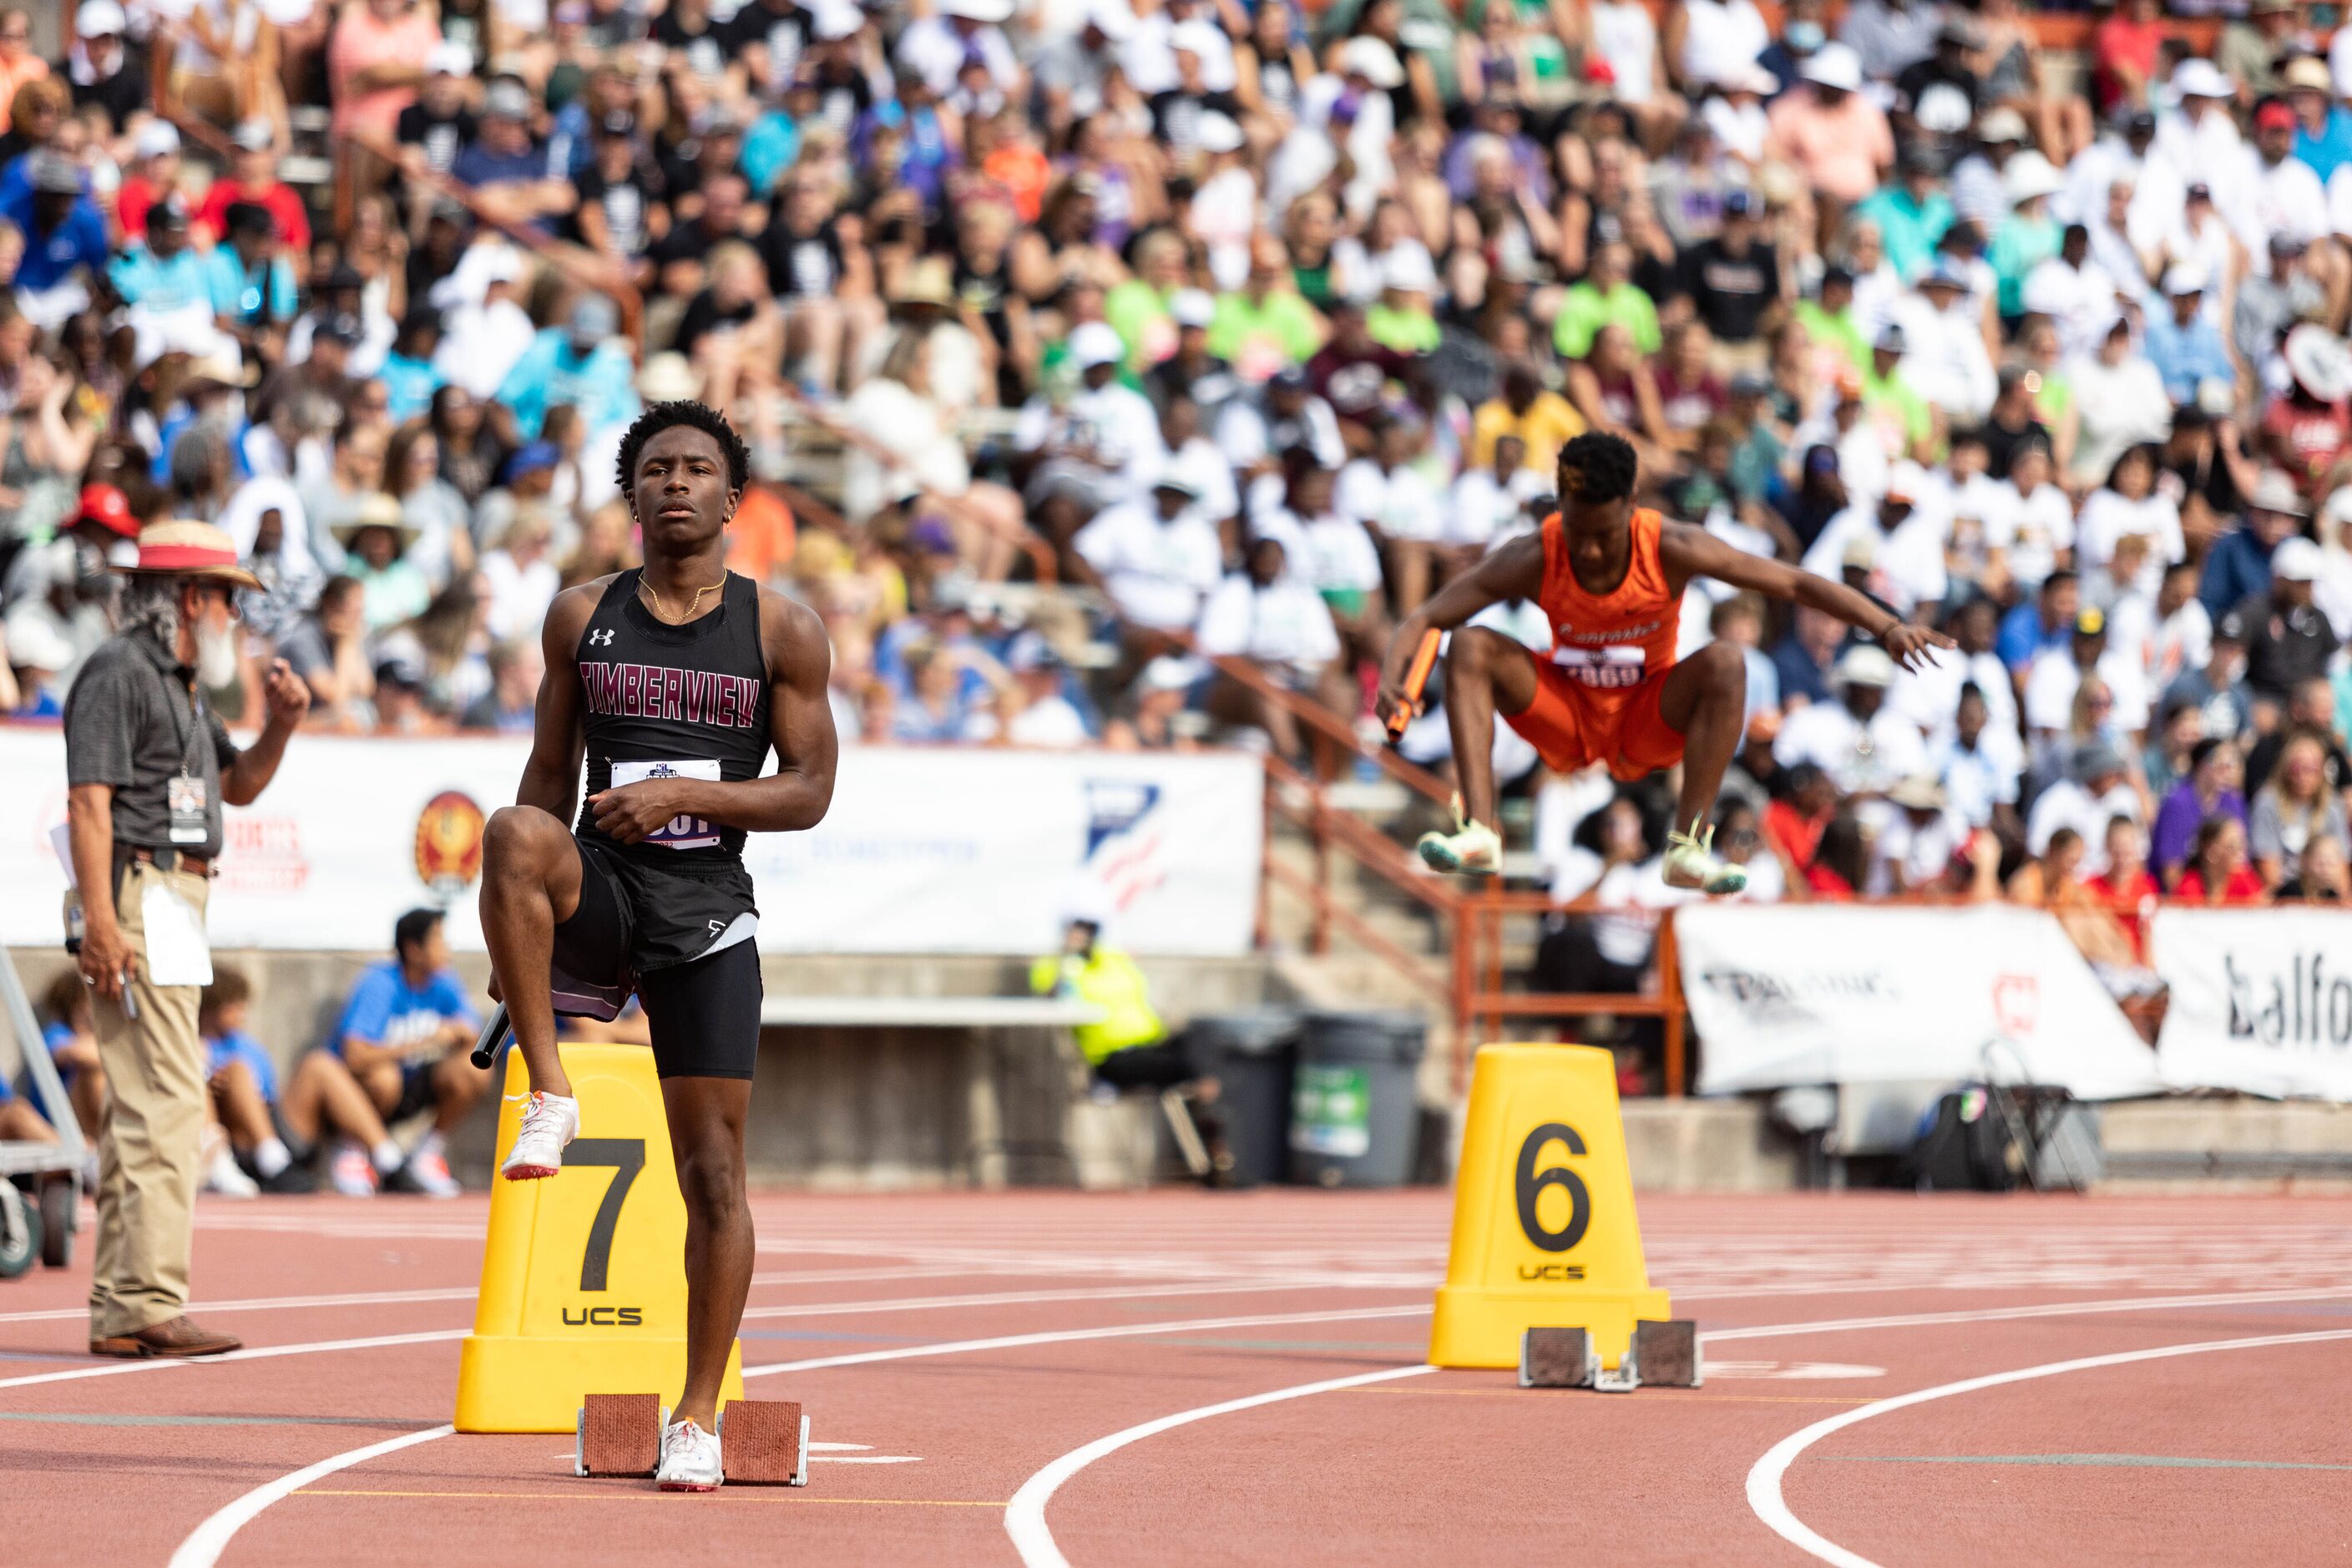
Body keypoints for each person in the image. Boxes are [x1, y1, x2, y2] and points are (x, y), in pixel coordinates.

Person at [477, 400, 838, 1492]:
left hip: (708, 904)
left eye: (696, 469)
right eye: (655, 469)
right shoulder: (579, 615)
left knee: (714, 1173)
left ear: (734, 500)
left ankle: (695, 1414)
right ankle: (552, 1091)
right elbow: (546, 780)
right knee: (507, 832)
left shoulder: (781, 629)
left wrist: (683, 789)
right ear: (631, 496)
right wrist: (511, 923)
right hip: (602, 882)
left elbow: (810, 790)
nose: (675, 483)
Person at [1381, 432, 1950, 889]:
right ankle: (1479, 831)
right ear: (1560, 509)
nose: (1590, 551)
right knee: (1472, 643)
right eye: (1577, 532)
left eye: (1604, 535)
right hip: (1567, 717)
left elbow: (1795, 583)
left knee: (1729, 661)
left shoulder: (1671, 547)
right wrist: (1392, 678)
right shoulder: (1535, 554)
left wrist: (1886, 625)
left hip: (1643, 721)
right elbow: (1425, 617)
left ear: (1631, 506)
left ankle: (1686, 847)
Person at [63, 520, 310, 1358]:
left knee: (151, 1100)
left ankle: (128, 1306)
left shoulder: (183, 684)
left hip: (167, 895)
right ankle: (145, 1303)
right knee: (166, 1098)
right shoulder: (119, 673)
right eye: (230, 602)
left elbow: (236, 786)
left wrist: (279, 727)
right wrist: (100, 921)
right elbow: (88, 804)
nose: (236, 620)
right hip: (140, 891)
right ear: (192, 598)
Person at [1029, 897, 1234, 1183]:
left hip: (1149, 1042)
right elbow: (1049, 996)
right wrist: (1068, 962)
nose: (1081, 934)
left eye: (1087, 928)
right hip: (1111, 1057)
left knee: (1203, 1043)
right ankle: (1216, 1149)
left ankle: (1218, 1138)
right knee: (1187, 1068)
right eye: (1075, 928)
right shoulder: (1056, 965)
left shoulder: (1114, 959)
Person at [326, 908, 493, 1196]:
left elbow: (473, 1035)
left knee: (474, 1069)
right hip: (365, 1092)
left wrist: (461, 1034)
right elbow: (354, 1056)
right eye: (439, 940)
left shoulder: (444, 980)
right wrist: (425, 1041)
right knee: (383, 1076)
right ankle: (354, 1150)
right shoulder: (379, 983)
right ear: (414, 950)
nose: (446, 948)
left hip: (415, 1086)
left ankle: (426, 1154)